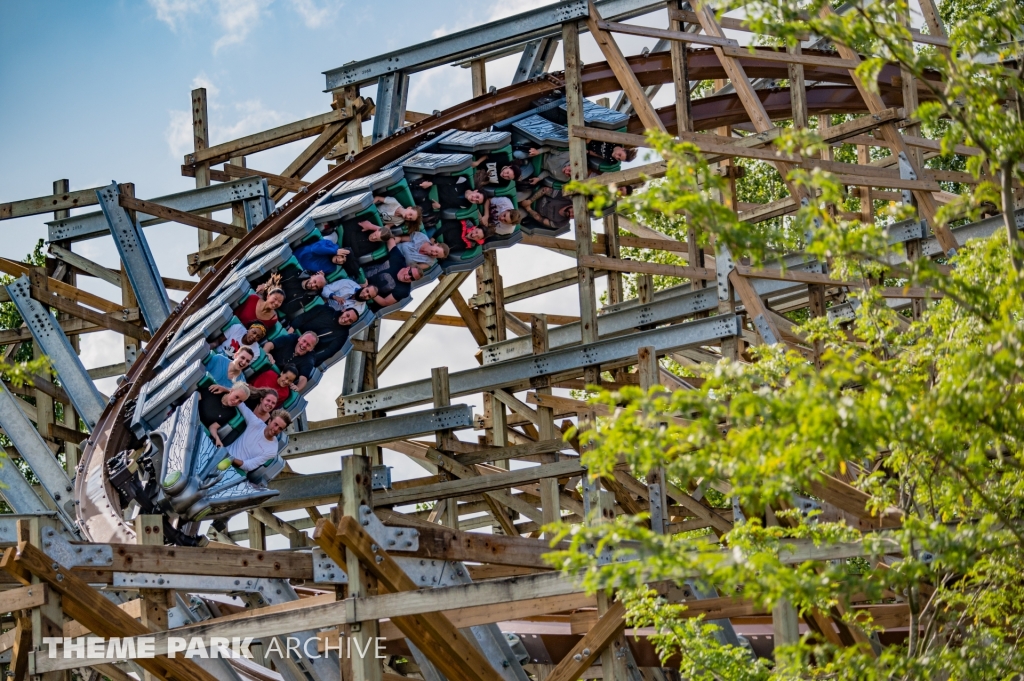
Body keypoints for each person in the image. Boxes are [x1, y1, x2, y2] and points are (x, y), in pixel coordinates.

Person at [225, 407, 291, 473]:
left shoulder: (272, 450)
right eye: (275, 424)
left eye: (280, 428)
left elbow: (249, 466)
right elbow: (242, 406)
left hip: (236, 470)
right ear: (269, 421)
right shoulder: (255, 423)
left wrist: (231, 459)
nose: (276, 429)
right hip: (224, 455)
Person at [291, 305, 358, 364]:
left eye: (350, 321)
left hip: (307, 350)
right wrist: (292, 327)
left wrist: (309, 358)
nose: (346, 319)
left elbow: (329, 352)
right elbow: (304, 317)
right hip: (295, 335)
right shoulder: (325, 310)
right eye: (347, 315)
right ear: (344, 310)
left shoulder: (343, 335)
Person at [198, 382, 249, 448]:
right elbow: (195, 398)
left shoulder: (231, 413)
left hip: (199, 428)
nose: (236, 401)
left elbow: (212, 427)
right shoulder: (215, 390)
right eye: (236, 397)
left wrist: (217, 439)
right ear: (232, 391)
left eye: (240, 401)